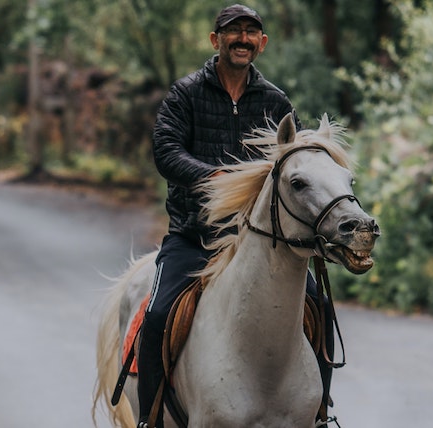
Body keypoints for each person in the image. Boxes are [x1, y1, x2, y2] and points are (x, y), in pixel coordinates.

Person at [136, 4, 336, 427]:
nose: (242, 39)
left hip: (259, 242)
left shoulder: (275, 102)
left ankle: (319, 414)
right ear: (216, 40)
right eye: (234, 31)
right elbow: (166, 152)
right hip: (195, 238)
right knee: (155, 318)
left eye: (251, 33)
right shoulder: (185, 94)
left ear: (261, 44)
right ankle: (150, 419)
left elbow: (293, 167)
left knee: (319, 307)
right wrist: (214, 176)